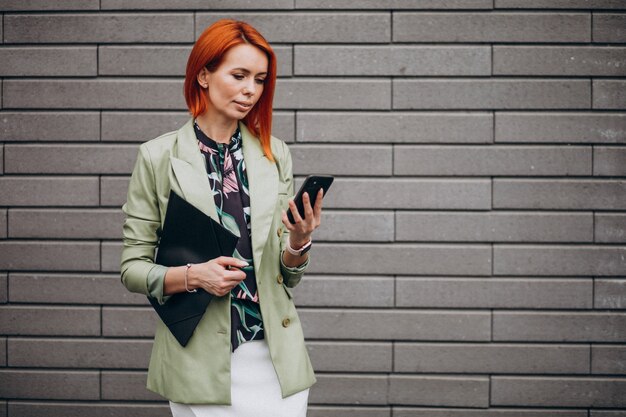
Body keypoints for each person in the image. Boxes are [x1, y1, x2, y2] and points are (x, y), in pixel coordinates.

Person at [120, 19, 322, 417]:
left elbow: (288, 275)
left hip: (276, 358)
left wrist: (298, 242)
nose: (251, 90)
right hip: (200, 363)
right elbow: (132, 269)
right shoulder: (158, 157)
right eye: (239, 75)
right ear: (203, 75)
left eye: (260, 79)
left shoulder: (274, 153)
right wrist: (195, 276)